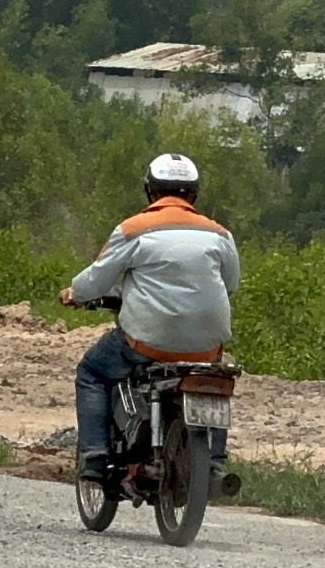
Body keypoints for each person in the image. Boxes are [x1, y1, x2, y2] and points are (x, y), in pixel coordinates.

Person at [60, 153, 240, 483]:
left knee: (92, 372)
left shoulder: (133, 230)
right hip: (207, 344)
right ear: (194, 195)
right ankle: (214, 464)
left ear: (151, 193)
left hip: (148, 342)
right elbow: (230, 285)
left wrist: (75, 293)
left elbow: (97, 279)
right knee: (213, 382)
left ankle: (95, 455)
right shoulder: (220, 235)